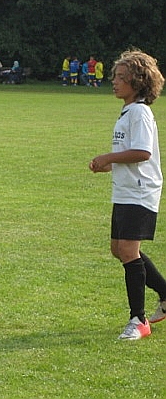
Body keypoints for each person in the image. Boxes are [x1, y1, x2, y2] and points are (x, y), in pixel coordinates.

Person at [89, 49, 166, 340]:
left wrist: (108, 157)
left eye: (121, 77)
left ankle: (139, 320)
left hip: (140, 192)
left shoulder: (140, 112)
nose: (114, 81)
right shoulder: (128, 112)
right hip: (124, 191)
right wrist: (108, 165)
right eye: (115, 76)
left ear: (138, 81)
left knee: (128, 252)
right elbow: (130, 155)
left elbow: (143, 152)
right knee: (118, 249)